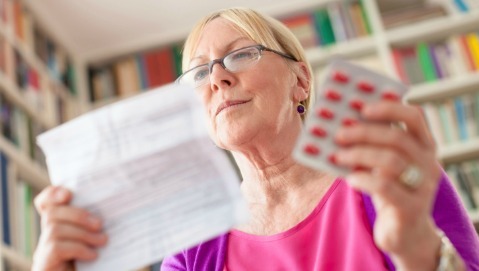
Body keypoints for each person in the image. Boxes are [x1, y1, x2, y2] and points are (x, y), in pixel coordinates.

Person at [32, 7, 479, 271]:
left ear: (300, 81)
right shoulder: (193, 245)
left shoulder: (390, 182)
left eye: (241, 54)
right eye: (199, 72)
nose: (218, 77)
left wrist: (420, 251)